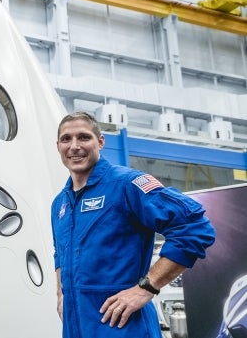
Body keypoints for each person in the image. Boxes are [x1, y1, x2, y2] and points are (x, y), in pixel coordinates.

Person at [51, 111, 215, 337]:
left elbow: (194, 227)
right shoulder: (60, 204)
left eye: (84, 137)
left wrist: (146, 288)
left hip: (124, 327)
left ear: (100, 142)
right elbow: (59, 254)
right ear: (58, 146)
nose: (75, 146)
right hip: (76, 327)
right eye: (66, 139)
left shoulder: (127, 184)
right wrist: (61, 294)